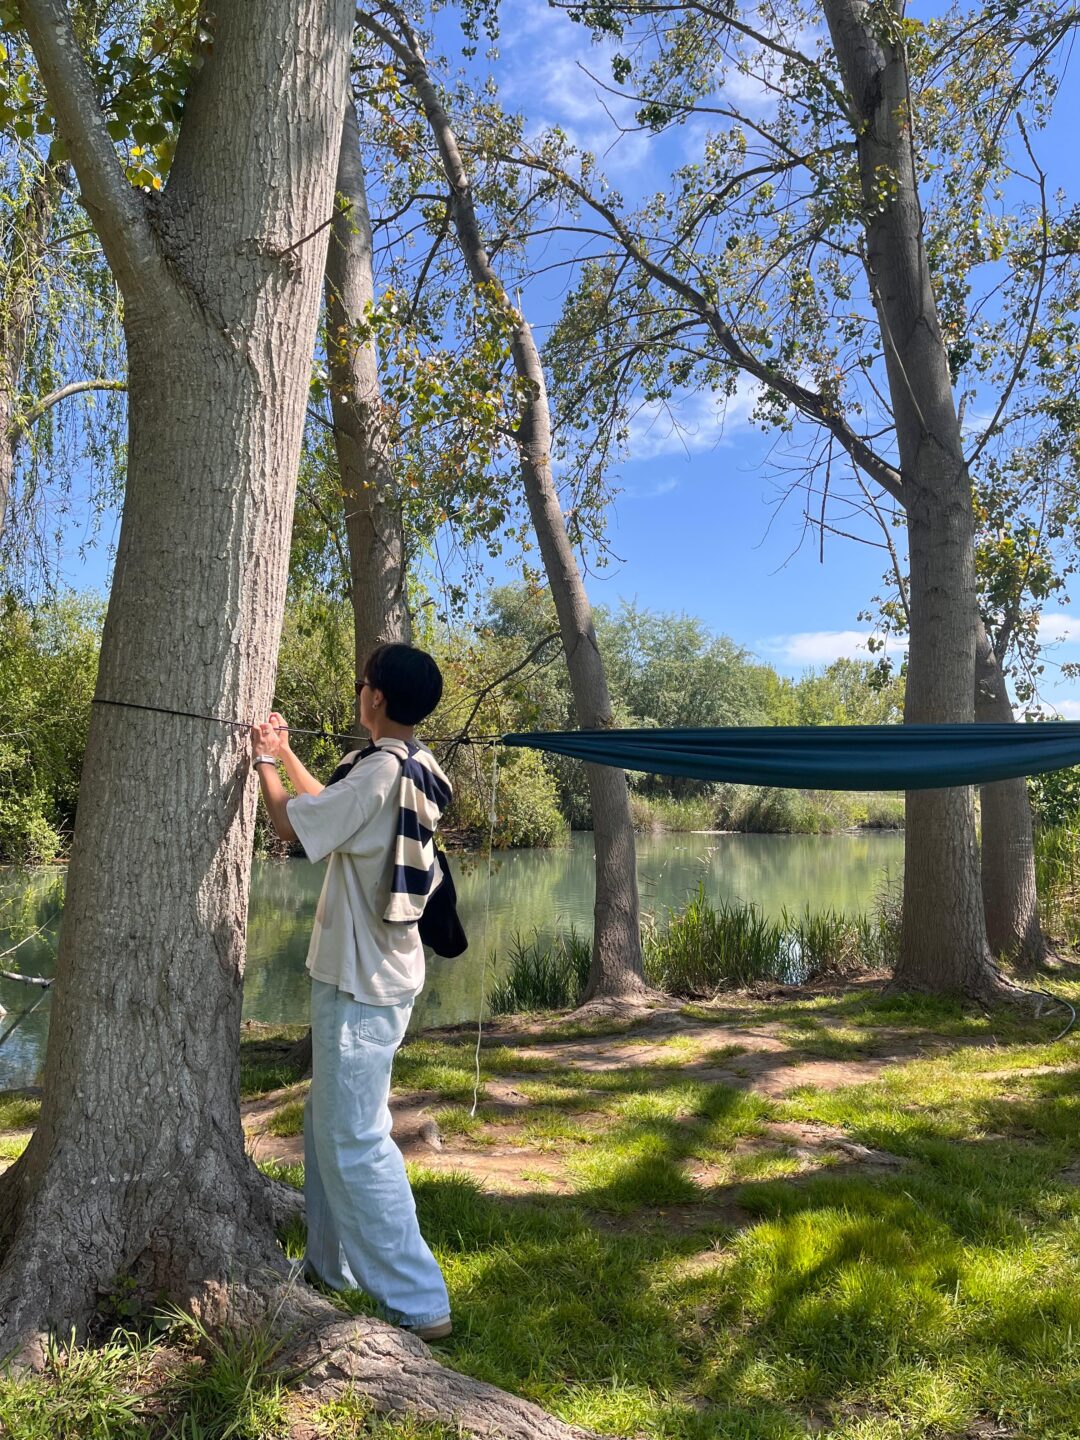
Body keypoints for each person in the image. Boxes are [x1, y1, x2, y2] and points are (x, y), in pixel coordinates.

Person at [250, 643, 452, 1341]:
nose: (358, 689)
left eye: (362, 682)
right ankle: (328, 1269)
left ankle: (419, 1300)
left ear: (376, 697)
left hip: (362, 980)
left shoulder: (379, 773)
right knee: (326, 1125)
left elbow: (290, 823)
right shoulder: (411, 763)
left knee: (355, 1137)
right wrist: (284, 753)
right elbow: (331, 809)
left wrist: (264, 763)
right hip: (379, 973)